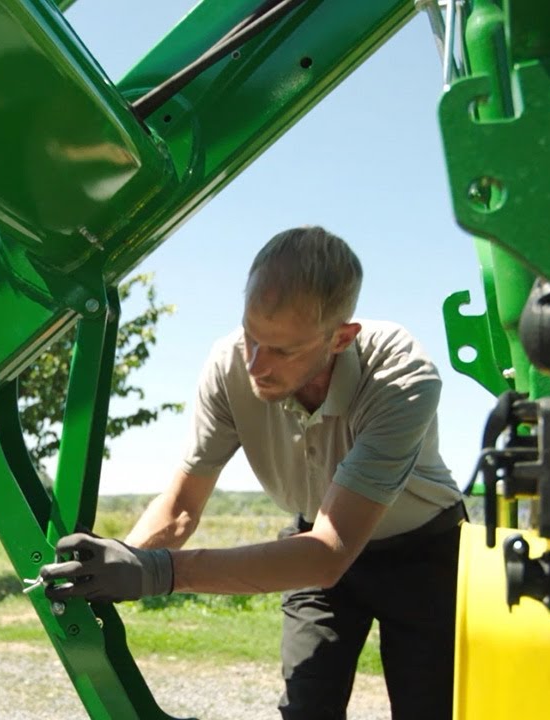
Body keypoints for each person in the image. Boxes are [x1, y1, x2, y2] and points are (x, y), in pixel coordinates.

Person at [41, 226, 466, 719]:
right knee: (306, 711)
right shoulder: (229, 366)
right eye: (251, 336)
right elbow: (180, 510)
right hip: (309, 542)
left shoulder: (400, 375)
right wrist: (109, 570)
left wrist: (158, 572)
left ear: (340, 338)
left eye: (284, 350)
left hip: (423, 555)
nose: (257, 365)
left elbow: (330, 552)